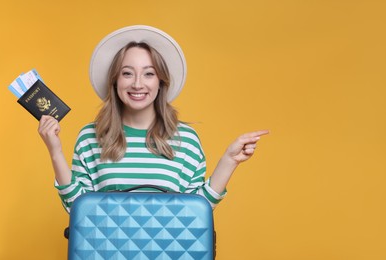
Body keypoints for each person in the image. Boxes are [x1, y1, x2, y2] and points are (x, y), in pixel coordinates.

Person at [38, 25, 269, 213]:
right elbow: (78, 210)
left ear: (161, 82)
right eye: (127, 73)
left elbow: (198, 212)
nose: (138, 83)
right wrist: (55, 151)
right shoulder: (90, 137)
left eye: (149, 73)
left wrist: (230, 160)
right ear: (115, 81)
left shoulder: (185, 140)